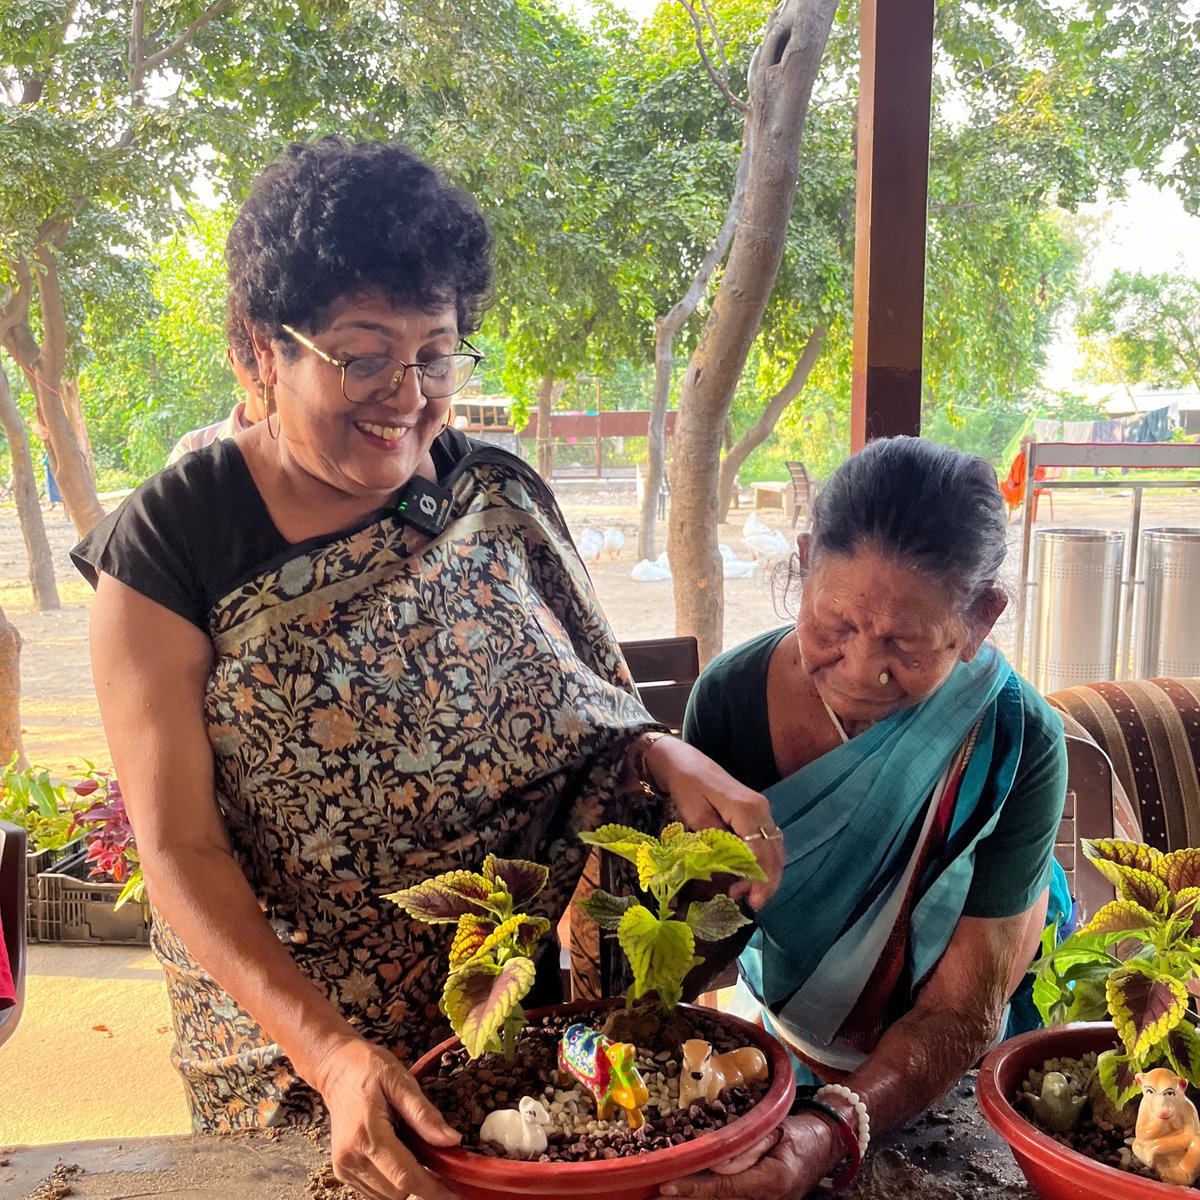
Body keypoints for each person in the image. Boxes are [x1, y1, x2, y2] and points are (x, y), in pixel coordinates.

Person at [71, 138, 781, 1200]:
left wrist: (670, 755)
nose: (406, 394)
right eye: (361, 356)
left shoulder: (491, 498)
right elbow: (177, 848)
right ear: (260, 355)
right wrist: (331, 1051)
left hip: (519, 1019)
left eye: (437, 354)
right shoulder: (176, 545)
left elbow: (591, 708)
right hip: (301, 1058)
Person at [671, 437, 1069, 1200]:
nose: (861, 669)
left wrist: (832, 1129)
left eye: (905, 644)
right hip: (786, 1051)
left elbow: (962, 1009)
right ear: (803, 560)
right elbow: (700, 940)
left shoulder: (1014, 741)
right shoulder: (727, 700)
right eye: (835, 626)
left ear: (981, 617)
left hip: (956, 1077)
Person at [165, 308, 267, 464]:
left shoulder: (313, 445)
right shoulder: (193, 449)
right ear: (231, 359)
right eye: (246, 348)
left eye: (267, 346)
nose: (259, 360)